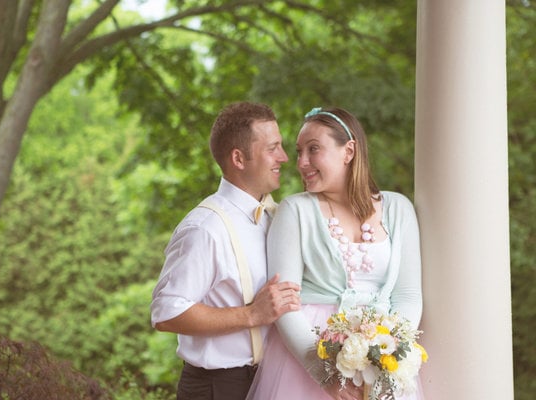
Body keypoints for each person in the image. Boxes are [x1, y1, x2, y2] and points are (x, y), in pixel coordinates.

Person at [246, 107, 423, 400]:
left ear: (349, 151)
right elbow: (284, 303)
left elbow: (408, 296)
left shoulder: (398, 208)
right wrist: (325, 374)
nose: (301, 162)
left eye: (313, 149)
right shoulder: (295, 211)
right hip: (310, 360)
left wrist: (389, 357)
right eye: (299, 151)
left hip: (384, 366)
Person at [150, 101, 302, 400]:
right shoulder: (205, 228)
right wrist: (250, 315)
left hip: (273, 381)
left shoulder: (277, 217)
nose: (283, 158)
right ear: (239, 158)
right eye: (272, 148)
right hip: (219, 388)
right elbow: (166, 312)